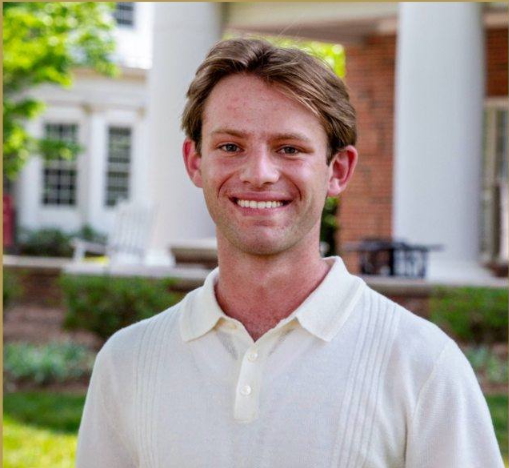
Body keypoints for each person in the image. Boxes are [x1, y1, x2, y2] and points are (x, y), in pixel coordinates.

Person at [76, 38, 503, 468]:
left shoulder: (422, 365)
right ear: (194, 161)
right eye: (230, 147)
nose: (259, 174)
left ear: (337, 170)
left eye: (290, 149)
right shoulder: (127, 362)